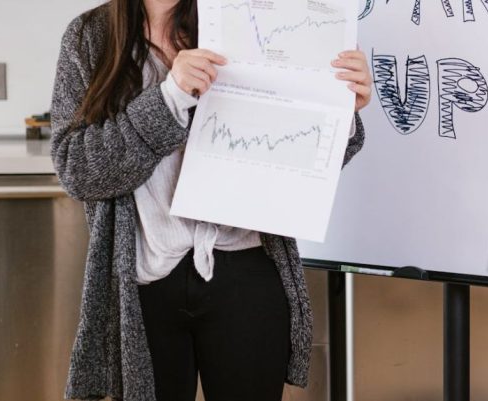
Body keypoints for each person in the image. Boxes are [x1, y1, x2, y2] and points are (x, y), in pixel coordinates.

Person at [50, 0, 371, 400]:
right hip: (144, 281)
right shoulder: (89, 38)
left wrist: (339, 108)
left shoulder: (246, 17)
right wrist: (170, 97)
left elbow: (294, 152)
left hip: (246, 269)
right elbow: (78, 170)